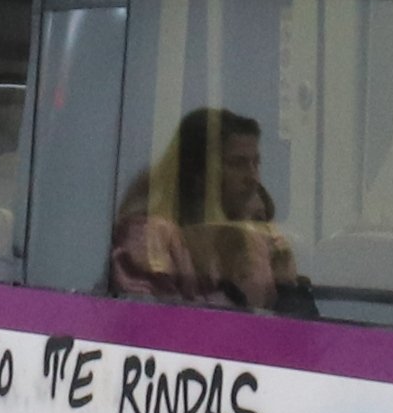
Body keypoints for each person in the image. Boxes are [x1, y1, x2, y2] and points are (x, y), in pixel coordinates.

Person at [110, 105, 303, 311]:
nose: (253, 178)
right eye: (238, 163)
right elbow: (154, 321)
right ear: (200, 173)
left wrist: (287, 285)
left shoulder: (243, 235)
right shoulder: (147, 237)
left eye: (256, 163)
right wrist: (244, 285)